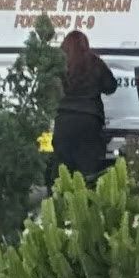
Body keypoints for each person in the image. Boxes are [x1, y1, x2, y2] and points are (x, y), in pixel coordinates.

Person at [53, 30, 117, 179]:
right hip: (90, 120)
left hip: (63, 120)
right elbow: (111, 86)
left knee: (63, 172)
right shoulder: (95, 62)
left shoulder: (58, 65)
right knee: (89, 173)